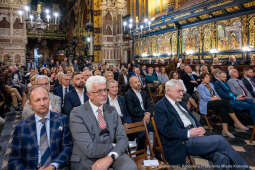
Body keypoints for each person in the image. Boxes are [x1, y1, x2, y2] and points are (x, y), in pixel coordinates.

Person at [154, 79, 249, 168]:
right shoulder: (160, 107)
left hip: (196, 136)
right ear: (168, 91)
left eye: (182, 91)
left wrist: (200, 128)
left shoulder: (181, 102)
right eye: (179, 91)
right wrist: (188, 133)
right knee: (219, 140)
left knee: (222, 158)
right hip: (180, 142)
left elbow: (192, 119)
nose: (182, 94)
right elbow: (165, 130)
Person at [69, 76, 137, 170]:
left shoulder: (112, 110)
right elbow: (89, 148)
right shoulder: (77, 114)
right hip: (87, 158)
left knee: (130, 167)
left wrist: (111, 156)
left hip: (113, 153)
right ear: (89, 95)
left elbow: (123, 138)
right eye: (99, 91)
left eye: (105, 90)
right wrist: (114, 146)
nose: (104, 94)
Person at [8, 86, 72, 169]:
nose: (42, 103)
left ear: (49, 100)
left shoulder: (62, 120)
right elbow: (14, 159)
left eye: (45, 99)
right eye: (37, 100)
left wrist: (53, 166)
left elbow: (67, 148)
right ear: (30, 104)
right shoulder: (21, 127)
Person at [197, 73, 248, 138]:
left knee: (223, 108)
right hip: (206, 104)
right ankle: (237, 123)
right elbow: (205, 98)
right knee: (225, 103)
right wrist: (216, 98)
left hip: (216, 102)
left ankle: (225, 130)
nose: (208, 78)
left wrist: (217, 97)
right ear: (202, 79)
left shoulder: (211, 84)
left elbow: (216, 94)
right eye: (206, 77)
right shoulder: (200, 86)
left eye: (209, 77)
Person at [125, 76, 153, 149]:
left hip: (147, 116)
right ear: (131, 85)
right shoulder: (128, 94)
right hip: (136, 118)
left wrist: (148, 113)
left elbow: (150, 105)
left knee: (160, 125)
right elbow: (132, 110)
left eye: (138, 82)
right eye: (135, 82)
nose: (138, 83)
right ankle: (140, 153)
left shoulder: (144, 92)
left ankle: (155, 149)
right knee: (144, 130)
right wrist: (145, 114)